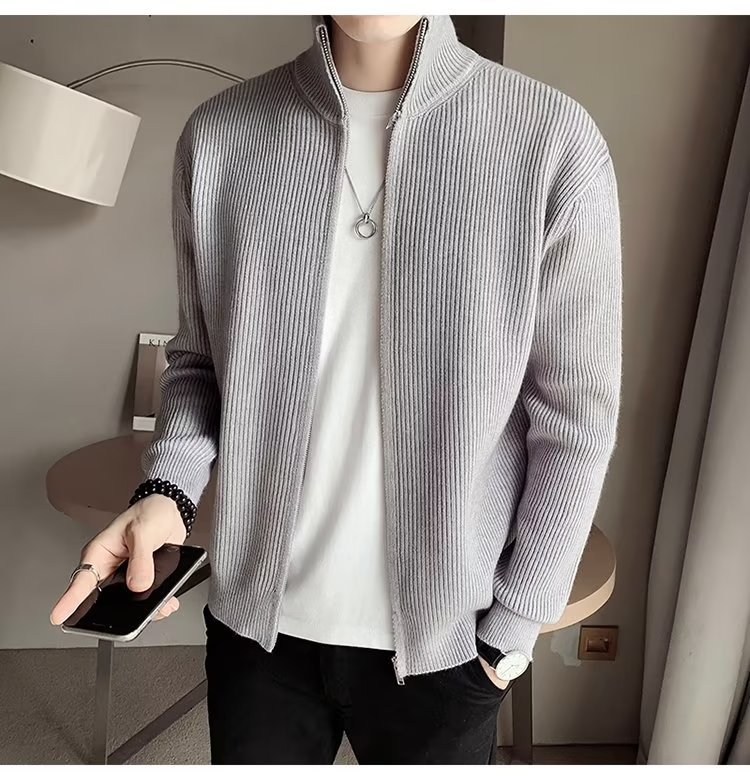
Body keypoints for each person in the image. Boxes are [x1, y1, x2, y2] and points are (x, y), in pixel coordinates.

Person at [51, 14, 622, 765]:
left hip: (452, 646)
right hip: (257, 634)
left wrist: (510, 634)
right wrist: (168, 490)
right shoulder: (219, 136)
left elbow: (576, 417)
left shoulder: (551, 139)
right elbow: (199, 362)